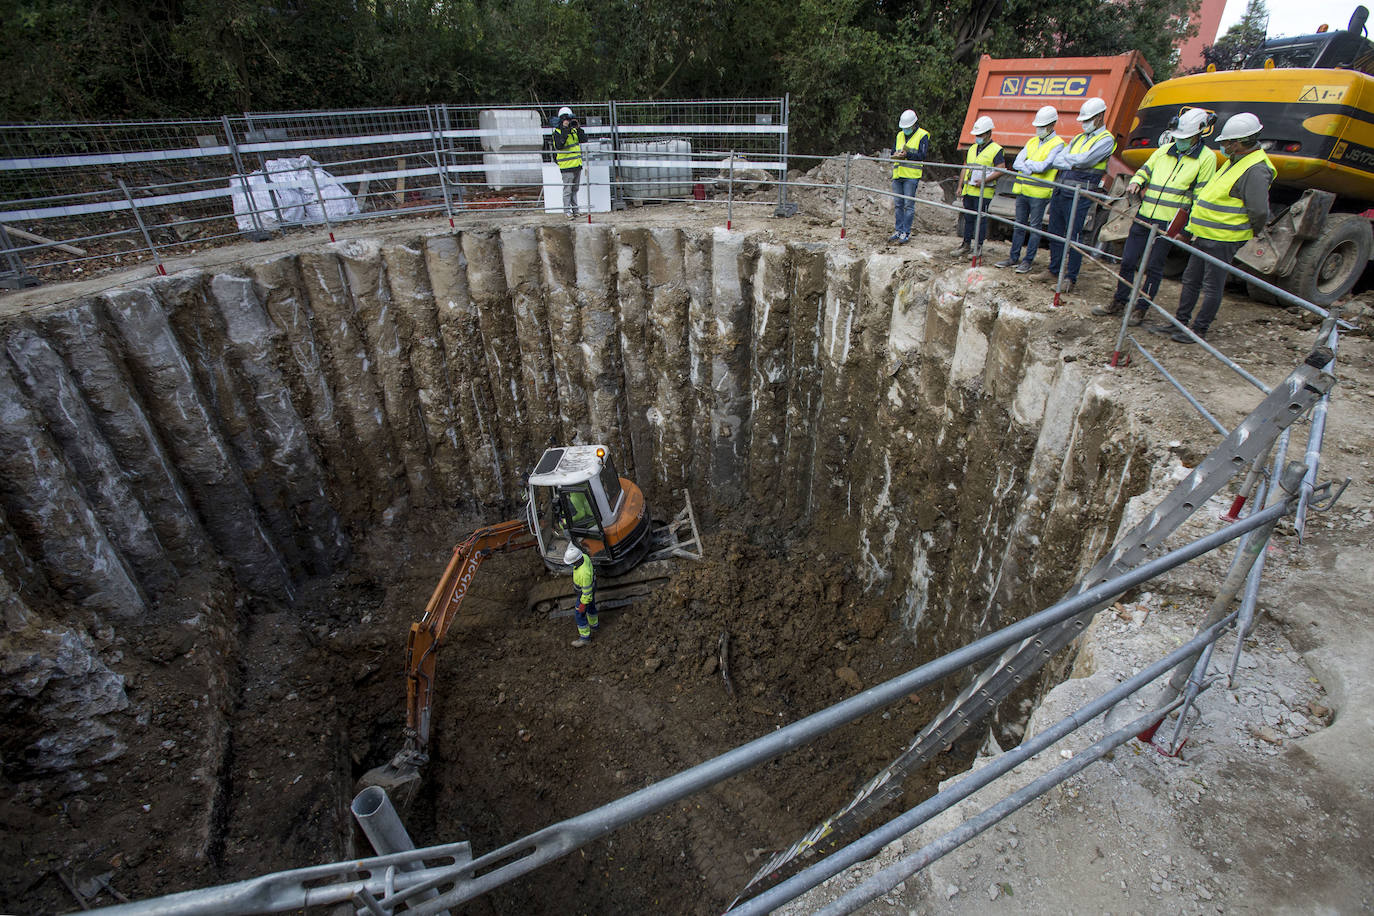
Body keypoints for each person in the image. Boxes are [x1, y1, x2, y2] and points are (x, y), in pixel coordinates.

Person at [1150, 112, 1273, 344]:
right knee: (1190, 279)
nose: (1224, 146)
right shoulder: (1235, 161)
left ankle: (1199, 330)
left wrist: (1250, 232)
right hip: (1205, 233)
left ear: (1241, 142)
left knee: (1212, 285)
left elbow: (1258, 211)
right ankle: (1179, 322)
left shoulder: (1256, 169)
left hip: (1224, 237)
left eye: (1227, 142)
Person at [1092, 108, 1215, 324]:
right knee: (1128, 260)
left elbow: (1200, 197)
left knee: (1154, 267)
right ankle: (1120, 300)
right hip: (1145, 215)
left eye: (1185, 138)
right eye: (1178, 137)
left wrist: (1186, 230)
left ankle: (1141, 307)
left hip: (1167, 223)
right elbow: (1144, 170)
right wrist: (1136, 181)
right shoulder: (1164, 151)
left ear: (1199, 134)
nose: (1180, 142)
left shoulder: (1206, 159)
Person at [1044, 97, 1117, 292]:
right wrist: (1072, 160)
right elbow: (1057, 160)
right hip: (1061, 190)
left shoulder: (1106, 140)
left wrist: (1071, 160)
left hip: (1080, 194)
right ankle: (1054, 270)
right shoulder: (1078, 138)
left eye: (1088, 119)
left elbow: (1085, 161)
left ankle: (1070, 277)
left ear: (1100, 117)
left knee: (1074, 236)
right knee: (1055, 232)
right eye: (1083, 120)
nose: (1084, 123)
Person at [995, 106, 1063, 272]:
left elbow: (1044, 166)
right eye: (1038, 126)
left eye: (1042, 126)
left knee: (1034, 228)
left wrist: (1028, 165)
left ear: (1052, 124)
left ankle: (1027, 261)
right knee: (1019, 226)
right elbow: (1017, 163)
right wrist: (1030, 166)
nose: (1039, 129)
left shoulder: (1058, 144)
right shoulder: (1032, 142)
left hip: (1040, 194)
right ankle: (1013, 257)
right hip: (1023, 191)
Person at [958, 116, 1002, 256]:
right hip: (969, 190)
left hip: (984, 192)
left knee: (981, 220)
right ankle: (966, 244)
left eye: (981, 135)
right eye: (977, 135)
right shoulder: (972, 149)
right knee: (968, 218)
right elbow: (965, 167)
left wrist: (985, 180)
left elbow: (1001, 169)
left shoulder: (996, 149)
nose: (978, 137)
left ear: (989, 133)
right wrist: (960, 186)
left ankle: (978, 246)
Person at [890, 109, 930, 244]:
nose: (905, 130)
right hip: (898, 174)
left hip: (911, 176)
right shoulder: (899, 135)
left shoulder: (922, 135)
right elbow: (892, 150)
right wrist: (895, 154)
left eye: (907, 128)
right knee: (898, 204)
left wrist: (907, 155)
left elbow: (922, 156)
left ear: (914, 125)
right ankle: (898, 230)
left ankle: (905, 232)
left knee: (908, 205)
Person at [551, 106, 588, 221]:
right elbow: (559, 145)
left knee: (574, 189)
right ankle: (567, 211)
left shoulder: (574, 130)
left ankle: (575, 210)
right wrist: (565, 129)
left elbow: (583, 139)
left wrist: (578, 128)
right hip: (566, 166)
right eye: (566, 119)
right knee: (568, 190)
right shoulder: (557, 132)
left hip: (576, 164)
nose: (568, 121)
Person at [566, 543, 599, 647]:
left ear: (575, 561)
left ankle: (585, 637)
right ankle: (594, 625)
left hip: (584, 595)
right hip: (591, 588)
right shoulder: (584, 557)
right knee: (591, 608)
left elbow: (587, 593)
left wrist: (582, 604)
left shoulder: (583, 573)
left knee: (579, 615)